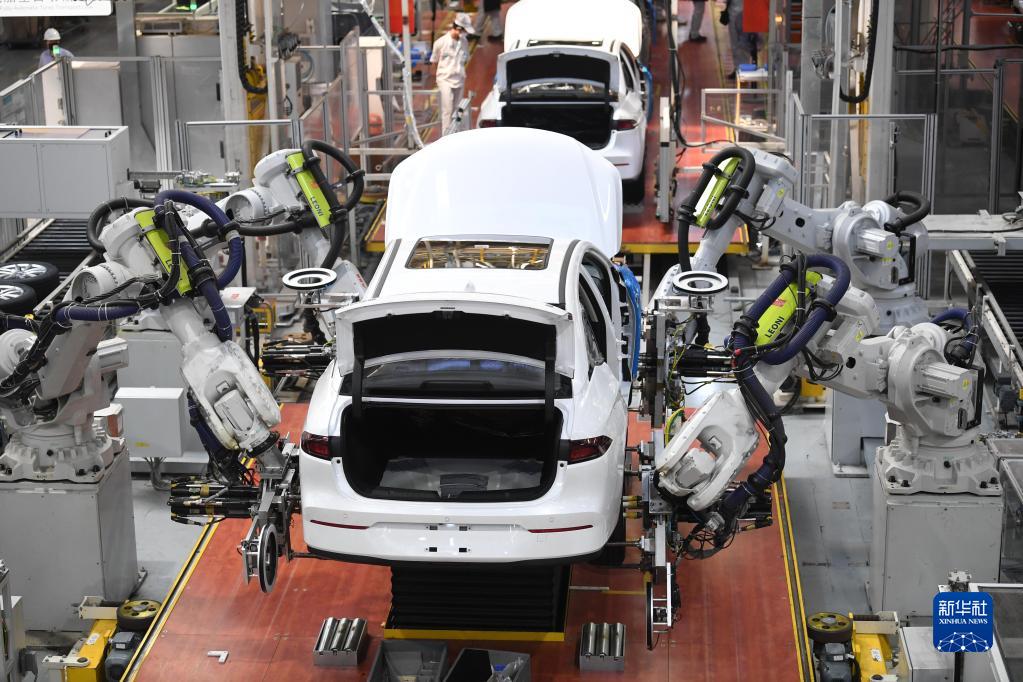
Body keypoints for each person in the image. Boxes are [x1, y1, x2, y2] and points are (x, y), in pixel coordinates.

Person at [431, 13, 475, 135]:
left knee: (457, 109)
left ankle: (456, 134)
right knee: (447, 109)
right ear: (458, 28)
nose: (465, 33)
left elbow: (465, 58)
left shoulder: (464, 42)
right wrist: (439, 77)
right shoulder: (440, 43)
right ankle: (446, 136)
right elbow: (434, 61)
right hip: (444, 79)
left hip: (459, 79)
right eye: (464, 31)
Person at [723, 0, 759, 79]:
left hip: (746, 13)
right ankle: (738, 68)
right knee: (735, 43)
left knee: (744, 42)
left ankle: (744, 68)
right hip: (733, 13)